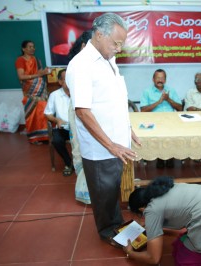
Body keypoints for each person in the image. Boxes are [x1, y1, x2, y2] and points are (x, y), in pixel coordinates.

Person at [65, 13, 140, 246]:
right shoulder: (81, 65)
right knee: (103, 192)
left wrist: (127, 130)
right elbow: (83, 111)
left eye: (121, 44)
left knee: (111, 191)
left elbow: (114, 100)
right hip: (101, 148)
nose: (119, 48)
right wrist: (111, 144)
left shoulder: (108, 59)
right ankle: (109, 230)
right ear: (99, 35)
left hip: (116, 144)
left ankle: (117, 222)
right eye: (115, 43)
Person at [67, 30, 93, 204]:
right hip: (81, 110)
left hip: (88, 109)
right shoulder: (78, 65)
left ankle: (94, 189)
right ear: (84, 46)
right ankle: (86, 192)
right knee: (83, 147)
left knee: (91, 149)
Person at [140, 69, 182, 168]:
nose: (160, 80)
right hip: (153, 120)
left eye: (162, 78)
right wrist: (159, 102)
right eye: (158, 78)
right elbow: (143, 110)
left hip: (170, 119)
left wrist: (168, 99)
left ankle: (170, 156)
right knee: (144, 130)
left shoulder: (171, 90)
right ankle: (159, 156)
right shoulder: (147, 91)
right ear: (153, 79)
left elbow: (180, 108)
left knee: (175, 131)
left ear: (165, 80)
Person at [15, 40, 50, 145]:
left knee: (43, 111)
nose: (32, 49)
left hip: (40, 91)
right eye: (29, 47)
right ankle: (34, 138)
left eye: (33, 47)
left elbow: (39, 73)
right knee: (32, 114)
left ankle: (45, 136)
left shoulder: (37, 60)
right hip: (30, 91)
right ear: (23, 49)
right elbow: (21, 76)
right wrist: (38, 75)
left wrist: (44, 72)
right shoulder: (20, 60)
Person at [44, 69, 73, 176]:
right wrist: (57, 120)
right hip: (63, 127)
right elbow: (48, 113)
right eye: (66, 79)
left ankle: (84, 165)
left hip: (79, 128)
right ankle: (69, 163)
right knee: (56, 140)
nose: (70, 81)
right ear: (60, 82)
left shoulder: (80, 93)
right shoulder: (54, 95)